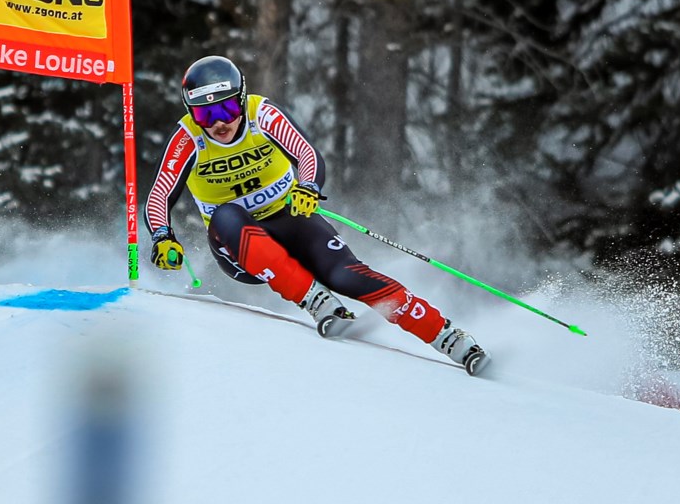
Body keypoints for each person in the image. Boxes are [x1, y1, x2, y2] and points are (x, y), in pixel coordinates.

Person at [143, 55, 489, 375]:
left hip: (289, 219)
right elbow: (160, 194)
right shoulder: (188, 139)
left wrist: (307, 187)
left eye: (228, 109)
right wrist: (162, 237)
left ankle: (447, 336)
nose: (219, 123)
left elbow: (306, 153)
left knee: (347, 276)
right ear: (192, 114)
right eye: (206, 115)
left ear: (242, 98)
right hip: (239, 246)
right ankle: (314, 299)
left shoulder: (262, 114)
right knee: (226, 215)